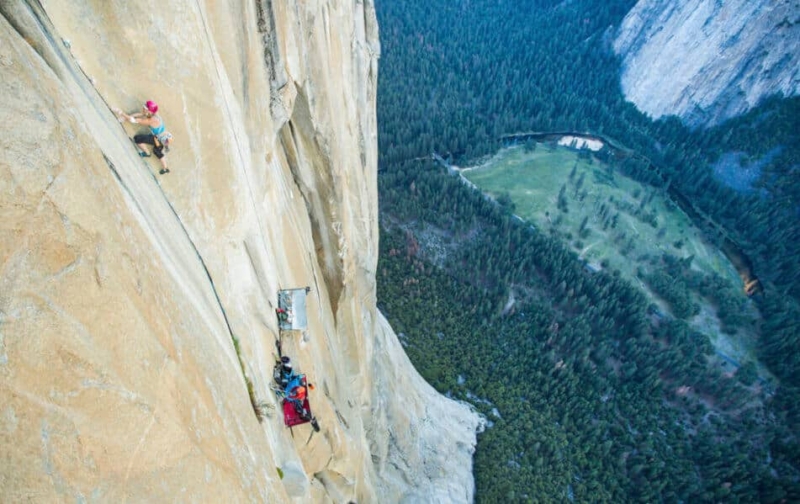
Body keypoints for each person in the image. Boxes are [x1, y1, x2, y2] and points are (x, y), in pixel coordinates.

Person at [115, 100, 173, 175]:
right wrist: (126, 118)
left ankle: (147, 153)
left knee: (137, 139)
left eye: (145, 107)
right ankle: (165, 168)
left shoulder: (151, 120)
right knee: (157, 151)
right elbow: (140, 114)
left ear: (149, 111)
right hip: (163, 137)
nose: (143, 108)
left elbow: (135, 120)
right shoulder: (154, 114)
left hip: (158, 139)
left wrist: (121, 113)